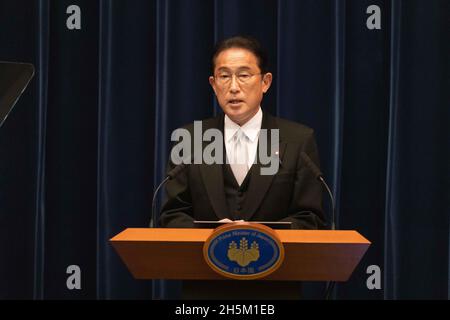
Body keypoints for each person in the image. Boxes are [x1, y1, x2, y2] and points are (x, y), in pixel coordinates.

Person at [159, 35, 326, 230]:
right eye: (224, 76)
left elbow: (310, 218)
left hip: (278, 258)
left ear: (265, 82)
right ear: (213, 84)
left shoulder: (297, 140)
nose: (233, 87)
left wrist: (262, 234)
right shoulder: (191, 139)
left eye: (244, 75)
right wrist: (212, 235)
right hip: (202, 258)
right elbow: (172, 215)